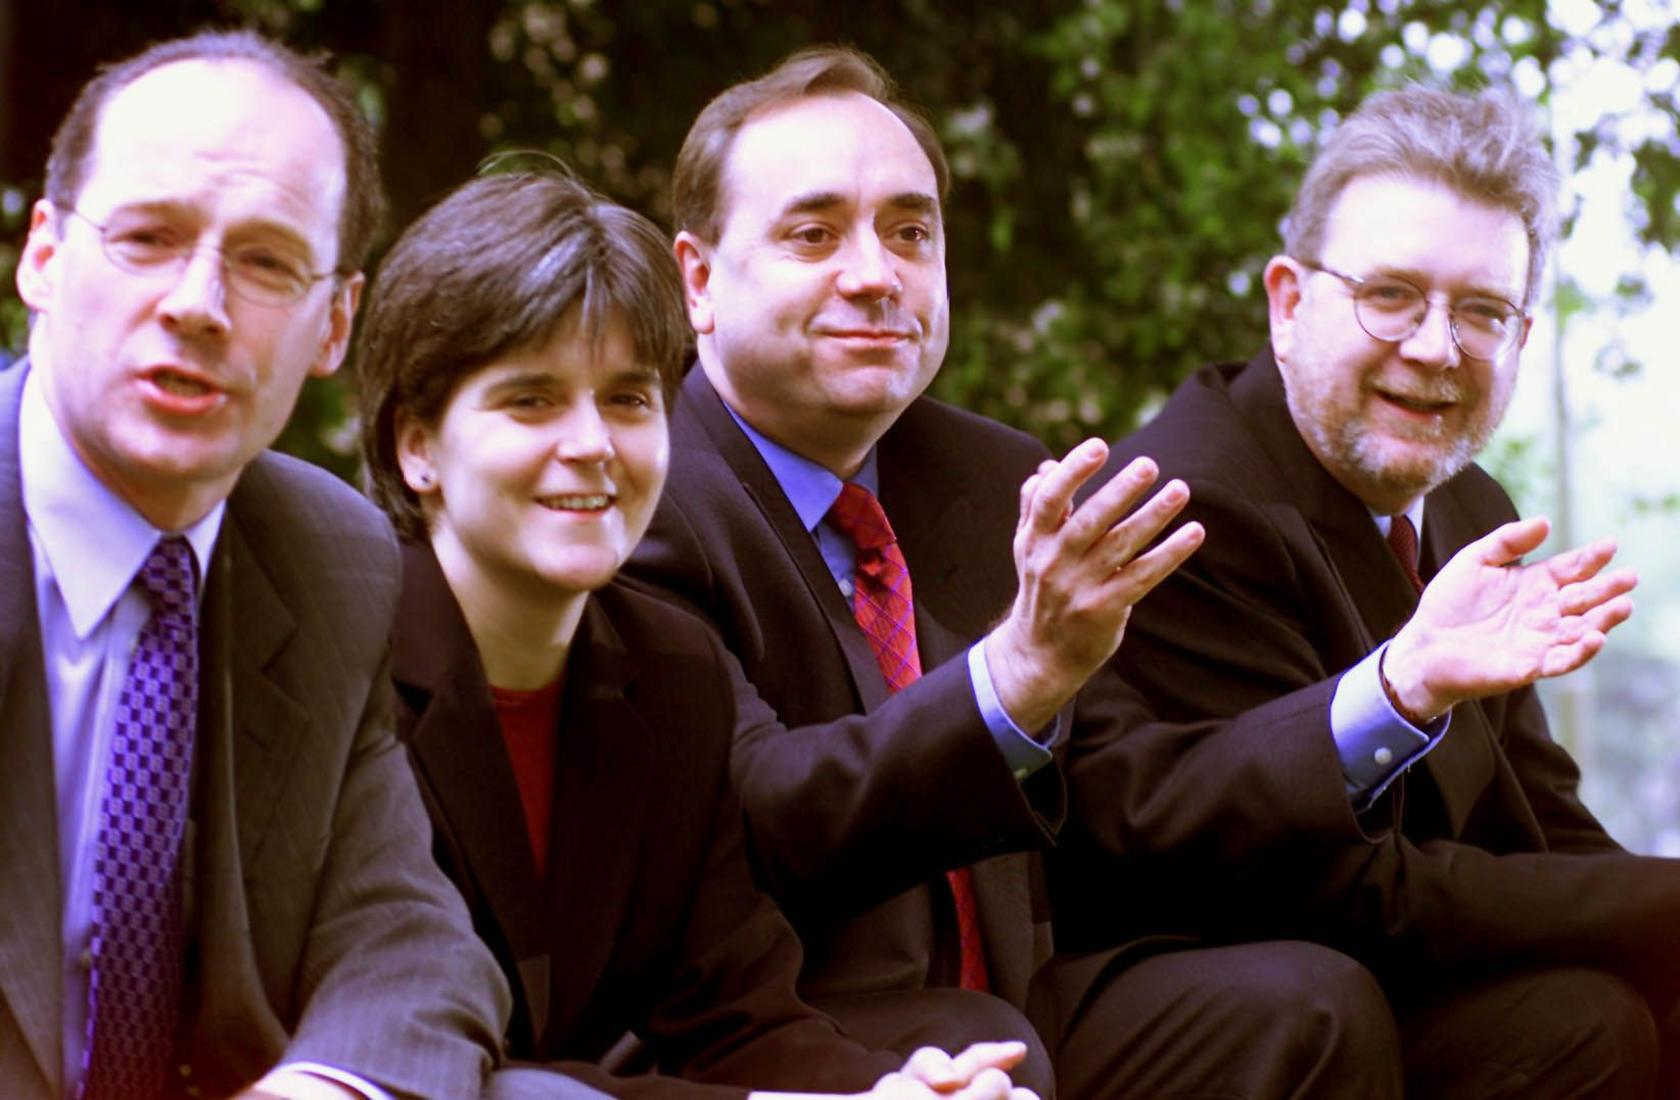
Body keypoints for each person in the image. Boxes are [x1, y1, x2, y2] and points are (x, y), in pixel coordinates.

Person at [624, 45, 1411, 1099]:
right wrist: (1018, 674)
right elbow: (758, 821)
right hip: (773, 1026)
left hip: (1019, 988)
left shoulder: (992, 475)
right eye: (814, 235)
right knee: (988, 1039)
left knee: (1309, 1004)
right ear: (702, 279)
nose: (876, 273)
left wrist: (1398, 690)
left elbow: (1132, 796)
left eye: (911, 232)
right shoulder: (643, 486)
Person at [355, 165, 1041, 1100]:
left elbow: (737, 1014)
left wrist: (881, 1091)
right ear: (417, 445)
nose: (593, 443)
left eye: (629, 399)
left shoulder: (673, 674)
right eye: (533, 400)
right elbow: (452, 1063)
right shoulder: (346, 649)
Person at [1054, 85, 1680, 1097]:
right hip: (1212, 995)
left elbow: (1534, 814)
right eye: (1391, 294)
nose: (1437, 347)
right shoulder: (1189, 506)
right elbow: (1336, 887)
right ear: (1289, 302)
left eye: (1482, 310)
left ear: (1522, 337)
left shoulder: (1467, 502)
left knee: (1627, 999)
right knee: (1595, 1009)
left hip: (1366, 960)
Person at [1, 29, 509, 1100]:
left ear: (334, 323)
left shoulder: (333, 557)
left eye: (266, 261)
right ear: (42, 254)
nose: (197, 301)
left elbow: (406, 937)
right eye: (147, 236)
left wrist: (322, 1089)